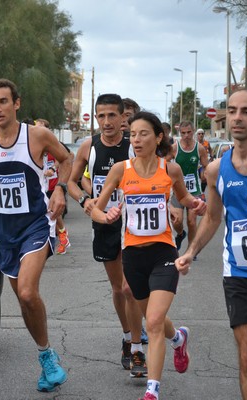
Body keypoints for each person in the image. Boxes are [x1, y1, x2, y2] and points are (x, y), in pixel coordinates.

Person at [92, 111, 206, 400]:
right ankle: (179, 338)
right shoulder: (121, 170)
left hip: (164, 252)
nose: (137, 139)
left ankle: (152, 391)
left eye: (144, 133)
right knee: (153, 318)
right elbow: (95, 207)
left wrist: (196, 205)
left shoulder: (171, 170)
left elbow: (184, 198)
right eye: (133, 134)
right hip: (132, 255)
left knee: (153, 322)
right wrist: (106, 216)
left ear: (158, 138)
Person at [0, 79, 71, 392]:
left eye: (3, 102)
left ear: (17, 103)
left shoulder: (36, 136)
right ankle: (46, 355)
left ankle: (48, 359)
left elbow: (66, 159)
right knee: (23, 301)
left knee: (27, 292)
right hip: (5, 233)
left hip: (36, 225)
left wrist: (61, 191)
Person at [176, 88, 247, 400]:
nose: (237, 117)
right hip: (240, 276)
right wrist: (191, 251)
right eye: (232, 111)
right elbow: (213, 218)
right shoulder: (217, 170)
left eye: (246, 111)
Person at [67, 93, 147, 377]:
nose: (106, 121)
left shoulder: (133, 147)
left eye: (112, 115)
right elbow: (71, 182)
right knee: (117, 289)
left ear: (123, 116)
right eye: (101, 116)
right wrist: (86, 201)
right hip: (103, 224)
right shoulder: (89, 147)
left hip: (131, 224)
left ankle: (137, 348)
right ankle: (127, 337)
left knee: (130, 287)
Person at [35, 118, 74, 255]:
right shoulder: (36, 141)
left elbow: (69, 155)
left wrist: (53, 168)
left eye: (40, 125)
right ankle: (55, 238)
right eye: (36, 125)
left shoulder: (53, 142)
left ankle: (62, 238)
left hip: (54, 185)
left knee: (53, 213)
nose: (37, 128)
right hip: (42, 184)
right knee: (48, 213)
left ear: (47, 128)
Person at [169, 121, 209, 253]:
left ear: (194, 131)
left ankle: (191, 250)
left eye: (189, 132)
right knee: (177, 221)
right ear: (180, 133)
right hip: (177, 190)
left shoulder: (200, 149)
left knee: (192, 222)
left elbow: (206, 167)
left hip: (194, 190)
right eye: (183, 133)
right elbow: (162, 163)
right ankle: (180, 234)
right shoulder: (175, 148)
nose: (186, 135)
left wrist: (204, 174)